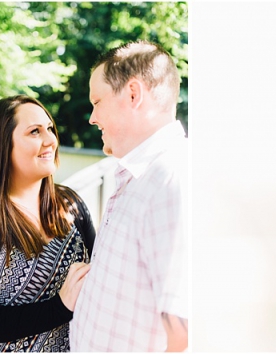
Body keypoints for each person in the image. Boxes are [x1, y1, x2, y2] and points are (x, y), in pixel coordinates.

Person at [70, 40, 189, 351]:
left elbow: (185, 337)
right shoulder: (140, 176)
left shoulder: (170, 179)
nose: (92, 118)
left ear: (133, 94)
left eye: (97, 102)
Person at [0, 95, 95, 352]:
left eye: (50, 128)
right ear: (2, 145)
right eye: (34, 131)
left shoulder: (72, 205)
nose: (50, 139)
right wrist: (57, 309)